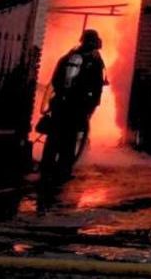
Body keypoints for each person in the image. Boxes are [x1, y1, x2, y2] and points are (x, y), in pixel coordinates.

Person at [36, 29, 105, 210]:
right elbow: (97, 88)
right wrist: (91, 108)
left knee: (53, 139)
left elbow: (55, 81)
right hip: (78, 107)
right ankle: (62, 173)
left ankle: (46, 170)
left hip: (60, 104)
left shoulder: (67, 57)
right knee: (69, 140)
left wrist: (53, 101)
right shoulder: (95, 62)